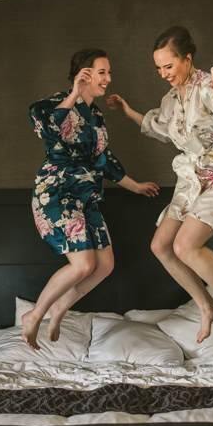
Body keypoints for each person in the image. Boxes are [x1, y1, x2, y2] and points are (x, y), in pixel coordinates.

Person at [106, 26, 213, 347]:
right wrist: (128, 111)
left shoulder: (206, 85)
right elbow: (158, 127)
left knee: (186, 247)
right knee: (161, 246)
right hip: (190, 179)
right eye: (158, 68)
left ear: (187, 60)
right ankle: (207, 306)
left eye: (168, 66)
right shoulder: (170, 99)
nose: (163, 74)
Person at [25, 48, 159, 349]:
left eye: (109, 72)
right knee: (83, 264)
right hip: (57, 193)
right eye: (103, 72)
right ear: (83, 75)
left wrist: (134, 186)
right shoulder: (49, 105)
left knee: (105, 265)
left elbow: (102, 159)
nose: (109, 79)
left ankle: (60, 307)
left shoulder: (96, 116)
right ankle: (35, 314)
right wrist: (73, 94)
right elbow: (46, 129)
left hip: (86, 198)